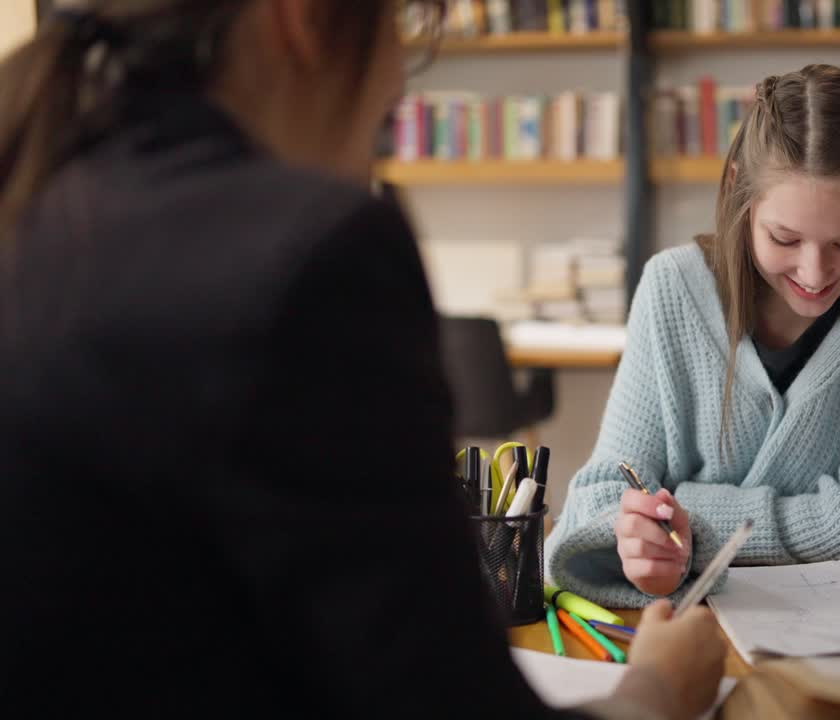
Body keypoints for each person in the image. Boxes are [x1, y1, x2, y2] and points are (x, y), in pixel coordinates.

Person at [0, 1, 725, 717]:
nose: (394, 95)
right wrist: (657, 689)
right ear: (304, 19)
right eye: (397, 48)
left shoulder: (43, 196)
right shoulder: (308, 254)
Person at [546, 65, 840, 608]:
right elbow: (598, 498)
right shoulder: (672, 286)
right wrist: (642, 544)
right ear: (740, 191)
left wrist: (693, 521)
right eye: (784, 238)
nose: (814, 272)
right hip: (698, 613)